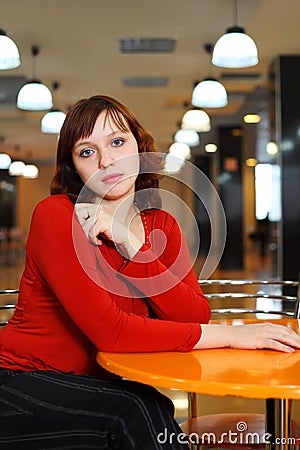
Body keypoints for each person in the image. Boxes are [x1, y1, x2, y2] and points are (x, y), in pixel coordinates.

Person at [0, 95, 299, 450]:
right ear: (73, 168)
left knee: (150, 405)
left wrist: (131, 242)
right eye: (87, 151)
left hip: (91, 385)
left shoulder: (162, 225)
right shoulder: (56, 215)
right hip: (20, 379)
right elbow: (111, 333)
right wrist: (231, 335)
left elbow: (193, 313)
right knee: (137, 411)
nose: (107, 160)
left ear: (139, 148)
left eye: (116, 141)